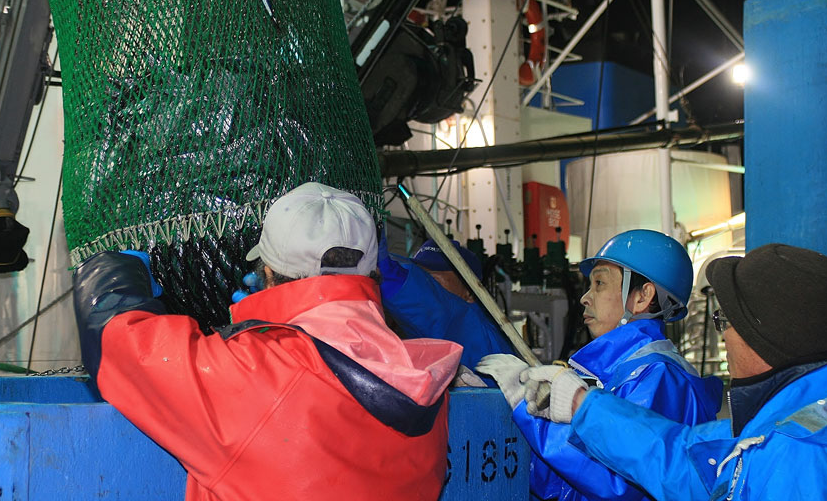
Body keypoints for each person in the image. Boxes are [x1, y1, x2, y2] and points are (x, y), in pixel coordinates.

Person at [73, 182, 462, 501]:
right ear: (372, 272)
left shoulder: (258, 376)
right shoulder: (425, 383)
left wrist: (111, 269)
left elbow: (116, 340)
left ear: (269, 272)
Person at [513, 243, 827, 501]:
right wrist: (580, 404)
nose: (724, 335)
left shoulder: (802, 453)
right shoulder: (780, 424)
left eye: (727, 322)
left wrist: (527, 414)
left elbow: (619, 483)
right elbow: (677, 455)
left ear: (769, 338)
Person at [478, 229, 723, 501]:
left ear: (642, 297)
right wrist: (497, 401)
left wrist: (526, 412)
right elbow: (567, 486)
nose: (585, 297)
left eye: (599, 284)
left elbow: (614, 483)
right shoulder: (618, 372)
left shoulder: (659, 378)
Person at [378, 236, 514, 375]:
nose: (427, 285)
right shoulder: (430, 332)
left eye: (433, 281)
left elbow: (434, 307)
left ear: (471, 293)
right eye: (420, 276)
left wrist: (386, 269)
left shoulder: (475, 330)